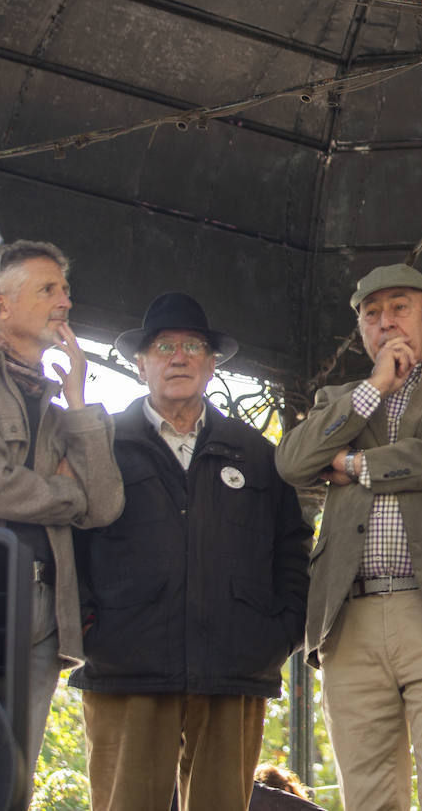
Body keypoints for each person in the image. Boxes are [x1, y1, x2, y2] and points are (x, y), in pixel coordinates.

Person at [274, 263, 422, 811]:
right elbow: (291, 462)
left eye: (400, 307)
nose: (386, 322)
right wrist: (375, 386)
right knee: (368, 797)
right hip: (348, 616)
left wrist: (357, 464)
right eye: (371, 314)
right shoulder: (340, 398)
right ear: (361, 331)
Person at [70, 292, 312, 811]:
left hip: (233, 670)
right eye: (163, 346)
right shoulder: (103, 443)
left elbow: (293, 548)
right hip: (125, 670)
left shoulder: (256, 454)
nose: (178, 357)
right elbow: (68, 541)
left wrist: (278, 634)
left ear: (211, 363)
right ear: (141, 365)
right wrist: (90, 628)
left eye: (192, 346)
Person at [0, 239, 124, 779]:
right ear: (2, 304)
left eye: (66, 289)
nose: (65, 301)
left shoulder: (61, 407)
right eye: (48, 289)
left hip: (45, 608)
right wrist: (67, 495)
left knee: (12, 775)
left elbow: (106, 505)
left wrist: (80, 399)